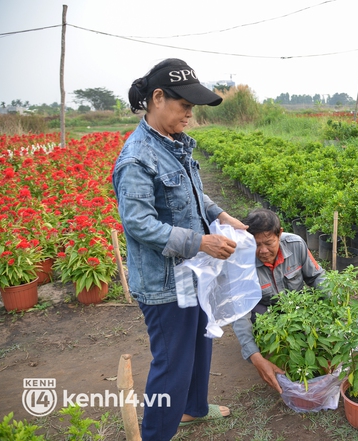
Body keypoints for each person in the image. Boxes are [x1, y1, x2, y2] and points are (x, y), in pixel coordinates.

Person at [112, 58, 248, 441]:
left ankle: (194, 409)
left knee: (201, 342)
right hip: (164, 281)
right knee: (173, 363)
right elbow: (139, 224)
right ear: (157, 98)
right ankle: (156, 433)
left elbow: (191, 191)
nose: (190, 113)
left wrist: (224, 215)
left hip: (192, 272)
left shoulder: (173, 144)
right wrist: (200, 241)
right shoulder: (136, 158)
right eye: (184, 105)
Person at [232, 208, 325, 393]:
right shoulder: (241, 261)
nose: (263, 250)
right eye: (256, 244)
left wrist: (335, 303)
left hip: (296, 307)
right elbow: (240, 313)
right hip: (265, 311)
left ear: (279, 233)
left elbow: (316, 277)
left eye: (268, 243)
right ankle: (268, 348)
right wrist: (254, 355)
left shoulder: (295, 244)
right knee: (266, 335)